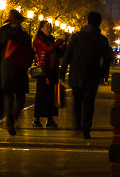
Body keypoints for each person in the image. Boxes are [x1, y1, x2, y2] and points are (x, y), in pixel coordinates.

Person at [59, 10, 114, 139]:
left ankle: (77, 124)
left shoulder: (77, 36)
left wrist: (61, 72)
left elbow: (67, 55)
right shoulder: (101, 39)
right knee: (89, 102)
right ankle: (86, 127)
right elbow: (107, 58)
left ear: (87, 21)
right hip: (93, 74)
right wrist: (102, 74)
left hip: (76, 73)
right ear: (99, 23)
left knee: (77, 101)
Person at [0, 8, 33, 135]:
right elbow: (29, 51)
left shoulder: (4, 32)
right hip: (16, 67)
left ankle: (10, 121)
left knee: (12, 97)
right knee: (16, 97)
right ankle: (11, 121)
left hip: (9, 67)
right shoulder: (21, 33)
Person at [32, 20, 59, 128]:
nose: (50, 29)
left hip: (52, 70)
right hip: (43, 71)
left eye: (50, 27)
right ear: (41, 28)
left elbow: (56, 51)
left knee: (51, 95)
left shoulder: (51, 39)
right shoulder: (38, 39)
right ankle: (36, 119)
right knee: (41, 95)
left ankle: (49, 118)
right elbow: (48, 49)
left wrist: (62, 45)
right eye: (47, 27)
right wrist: (61, 40)